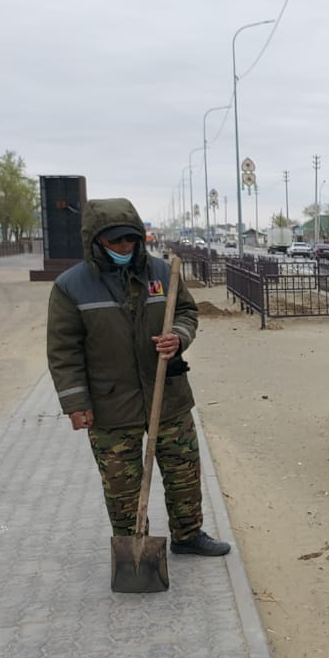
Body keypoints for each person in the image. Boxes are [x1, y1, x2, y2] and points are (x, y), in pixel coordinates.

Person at [46, 198, 231, 560]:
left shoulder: (163, 274)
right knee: (122, 485)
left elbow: (187, 312)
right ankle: (134, 549)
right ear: (95, 241)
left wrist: (178, 336)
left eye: (130, 240)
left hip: (169, 393)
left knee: (184, 471)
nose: (124, 248)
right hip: (110, 403)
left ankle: (188, 534)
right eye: (115, 242)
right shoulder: (71, 287)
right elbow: (63, 351)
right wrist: (75, 403)